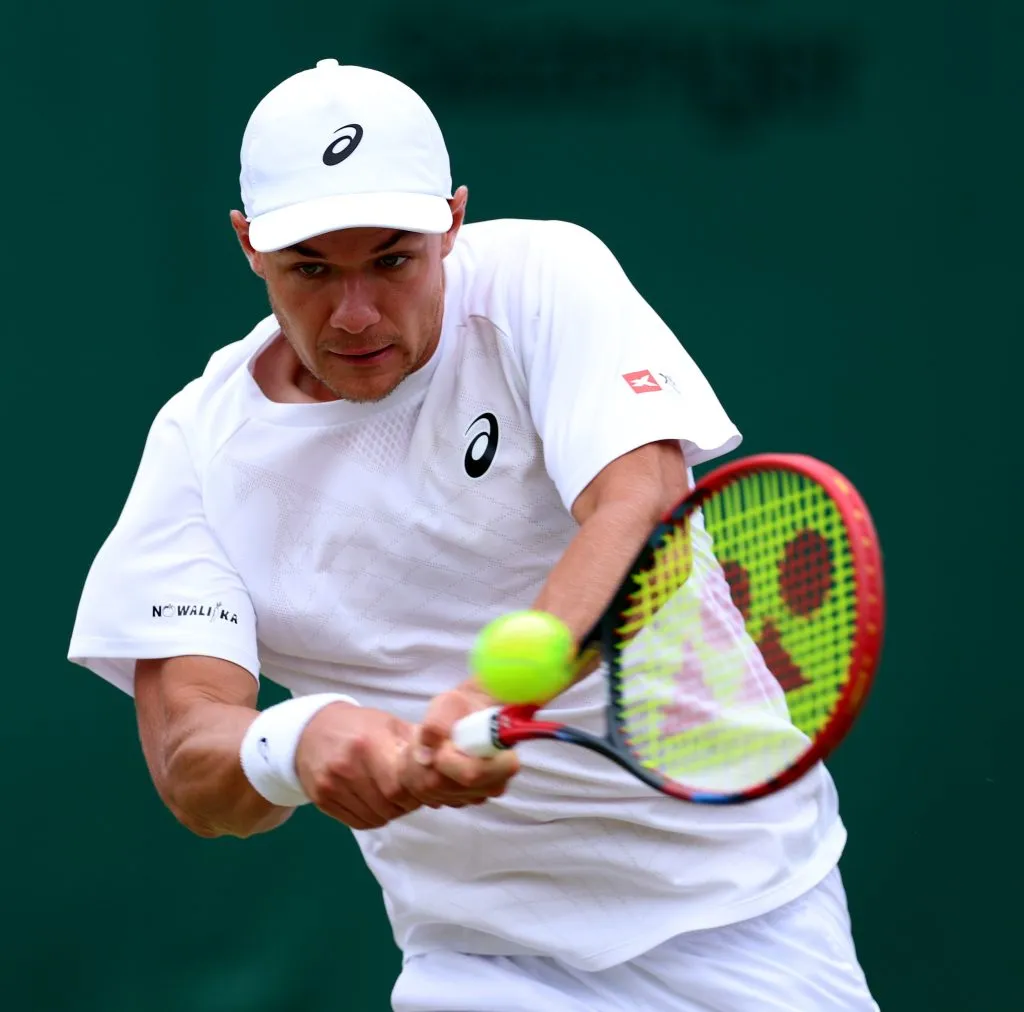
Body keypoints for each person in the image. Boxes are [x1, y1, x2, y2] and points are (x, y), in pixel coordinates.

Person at [67, 58, 878, 1011]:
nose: (357, 312)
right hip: (478, 960)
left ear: (452, 220)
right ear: (249, 246)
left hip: (746, 912)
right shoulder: (197, 448)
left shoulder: (544, 276)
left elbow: (642, 506)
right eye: (312, 270)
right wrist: (295, 743)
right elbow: (189, 758)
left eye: (393, 259)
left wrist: (495, 689)